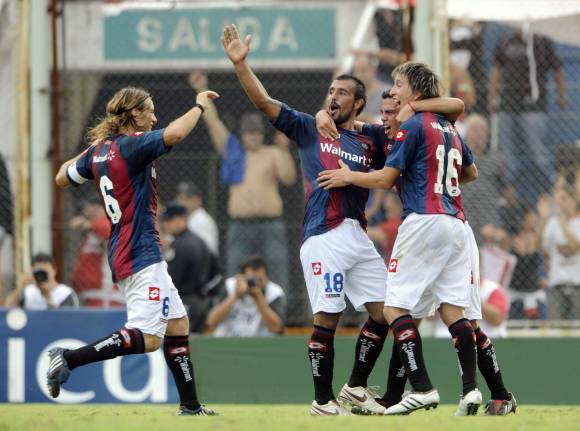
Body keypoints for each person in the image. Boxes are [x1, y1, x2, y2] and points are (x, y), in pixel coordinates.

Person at [222, 24, 391, 416]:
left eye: (342, 92)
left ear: (358, 103)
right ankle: (322, 400)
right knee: (327, 317)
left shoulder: (371, 140)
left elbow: (398, 145)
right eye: (331, 91)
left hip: (358, 234)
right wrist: (241, 65)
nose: (333, 97)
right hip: (324, 235)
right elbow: (264, 102)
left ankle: (355, 387)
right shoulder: (308, 128)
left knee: (386, 312)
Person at [318, 85, 516, 416]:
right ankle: (398, 396)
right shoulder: (405, 132)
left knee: (420, 313)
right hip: (447, 226)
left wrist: (352, 176)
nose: (385, 118)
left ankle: (486, 393)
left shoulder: (416, 128)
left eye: (393, 109)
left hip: (430, 225)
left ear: (409, 102)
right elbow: (349, 123)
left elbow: (388, 177)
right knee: (417, 317)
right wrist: (322, 114)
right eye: (383, 112)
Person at [51, 85, 220, 416]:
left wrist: (91, 153)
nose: (154, 118)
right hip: (140, 250)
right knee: (150, 338)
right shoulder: (132, 145)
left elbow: (61, 177)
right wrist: (199, 106)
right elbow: (175, 133)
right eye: (150, 111)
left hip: (126, 247)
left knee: (177, 324)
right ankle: (69, 358)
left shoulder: (99, 152)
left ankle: (190, 406)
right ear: (135, 114)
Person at [189, 72, 297, 289]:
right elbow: (214, 124)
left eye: (257, 132)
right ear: (242, 135)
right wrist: (201, 90)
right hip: (240, 225)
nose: (253, 136)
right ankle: (233, 308)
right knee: (234, 272)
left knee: (277, 271)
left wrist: (285, 151)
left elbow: (289, 178)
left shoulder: (273, 153)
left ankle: (279, 308)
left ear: (262, 134)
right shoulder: (233, 153)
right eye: (249, 132)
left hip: (270, 224)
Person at [489, 26, 568, 201]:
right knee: (508, 152)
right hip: (508, 105)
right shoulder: (506, 40)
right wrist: (492, 97)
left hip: (534, 106)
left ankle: (554, 186)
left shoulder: (542, 41)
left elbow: (558, 69)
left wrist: (562, 96)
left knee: (537, 150)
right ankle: (509, 192)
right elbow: (496, 69)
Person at [161, 202, 223, 333]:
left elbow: (171, 281)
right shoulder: (200, 241)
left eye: (170, 220)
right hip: (201, 302)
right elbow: (217, 273)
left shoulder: (179, 245)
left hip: (183, 302)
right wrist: (206, 292)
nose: (166, 224)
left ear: (182, 219)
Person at [207, 255, 285, 337]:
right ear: (242, 277)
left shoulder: (274, 293)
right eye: (251, 280)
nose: (255, 284)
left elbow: (277, 328)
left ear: (267, 279)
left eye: (259, 280)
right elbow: (211, 322)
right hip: (227, 339)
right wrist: (235, 296)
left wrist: (258, 298)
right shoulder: (230, 287)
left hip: (259, 341)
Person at [70, 199, 124, 307]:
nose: (88, 212)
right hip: (90, 289)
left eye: (90, 208)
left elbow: (112, 231)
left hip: (106, 290)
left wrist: (89, 224)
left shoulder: (109, 223)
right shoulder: (94, 227)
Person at [539, 185, 580, 319]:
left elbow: (576, 247)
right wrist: (543, 219)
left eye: (564, 199)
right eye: (557, 200)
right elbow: (542, 248)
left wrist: (562, 222)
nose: (560, 203)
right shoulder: (552, 223)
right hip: (556, 284)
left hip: (577, 284)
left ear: (574, 200)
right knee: (555, 326)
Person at [5, 253, 79, 309]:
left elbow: (68, 319)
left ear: (54, 270)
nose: (41, 276)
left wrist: (48, 298)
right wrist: (20, 288)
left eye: (44, 272)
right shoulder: (28, 291)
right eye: (38, 272)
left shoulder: (65, 293)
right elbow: (8, 310)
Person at [175, 181, 219, 255]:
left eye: (188, 198)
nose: (183, 202)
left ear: (199, 200)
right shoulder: (187, 219)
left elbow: (207, 251)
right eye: (180, 198)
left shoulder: (202, 221)